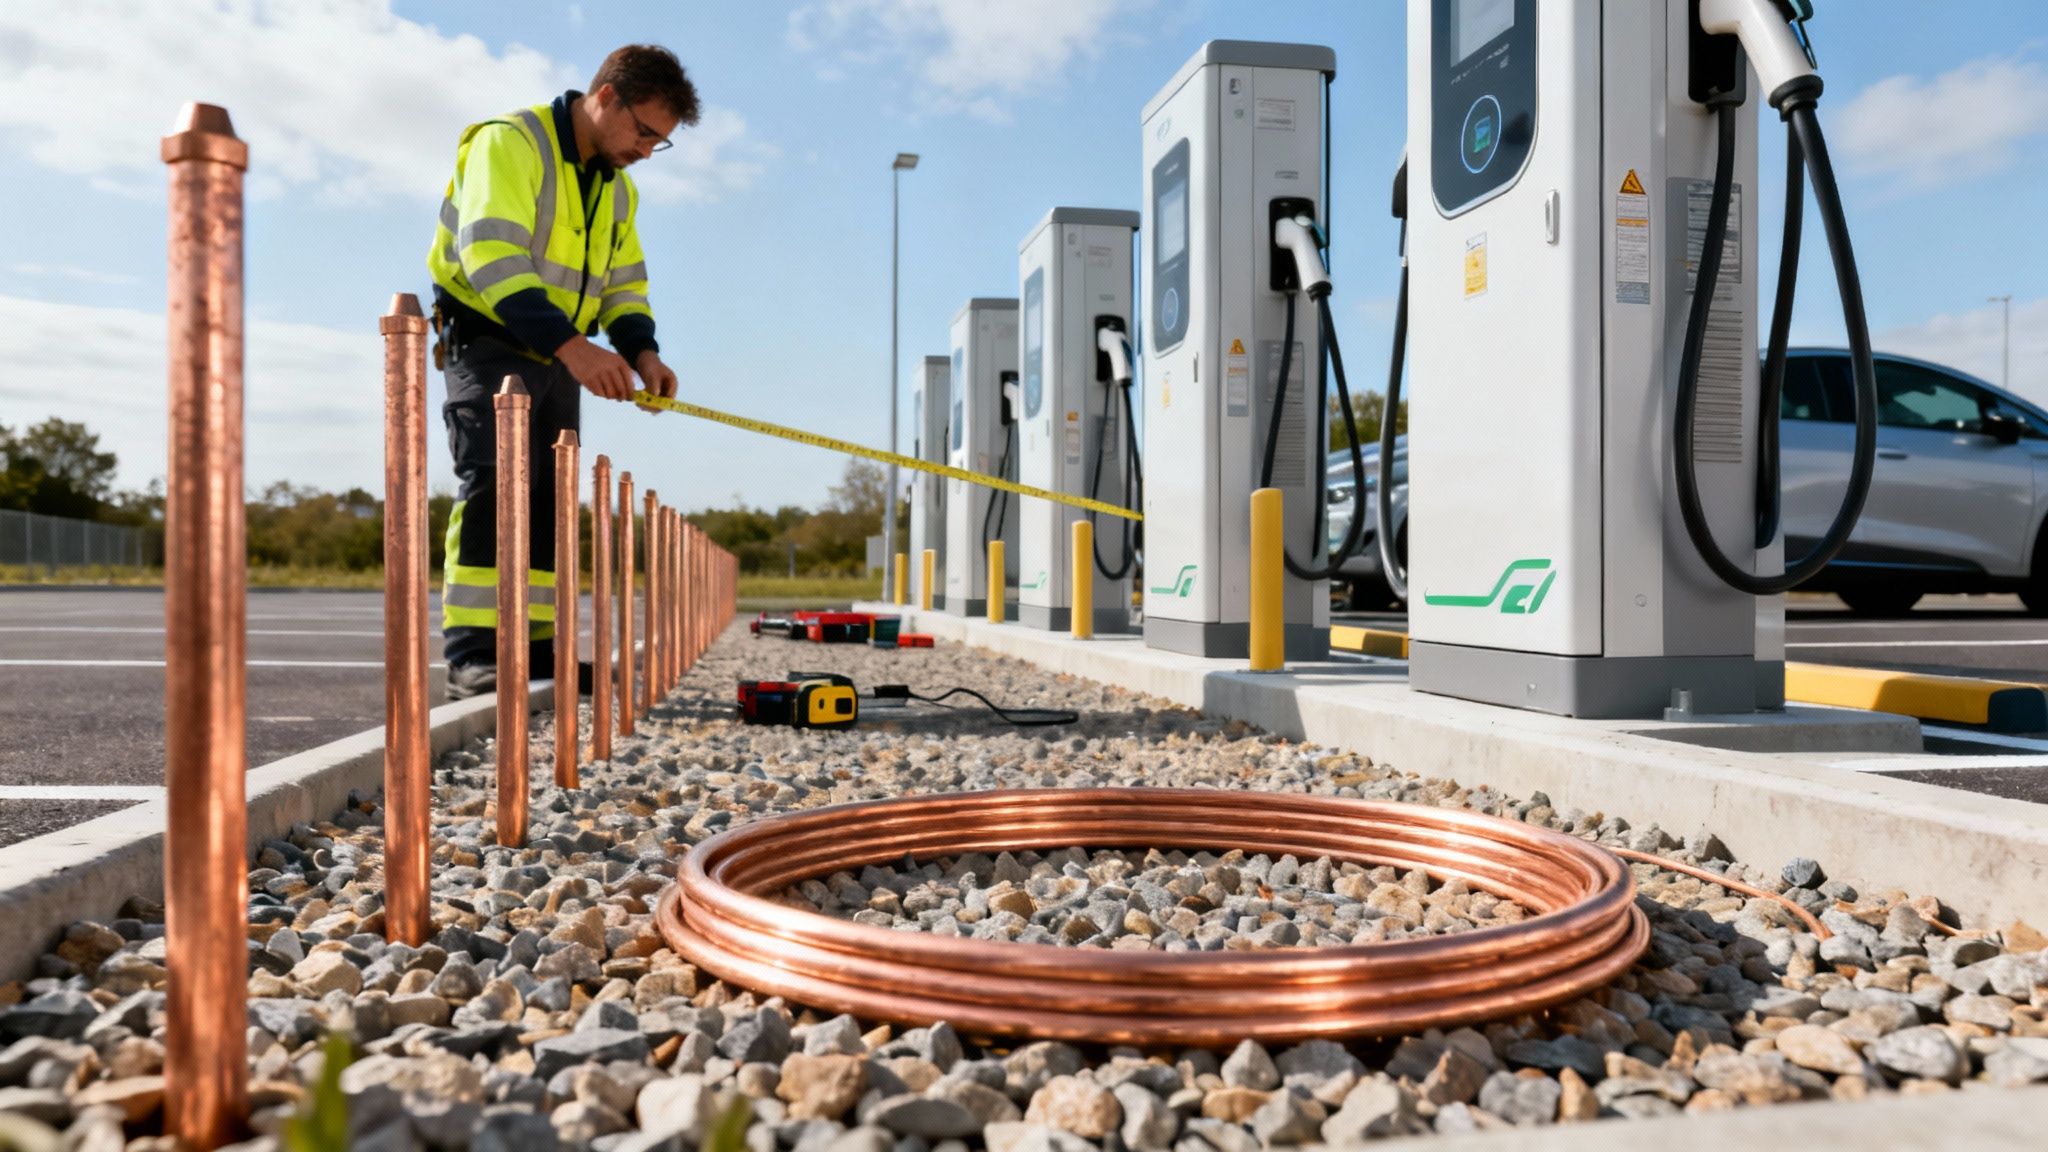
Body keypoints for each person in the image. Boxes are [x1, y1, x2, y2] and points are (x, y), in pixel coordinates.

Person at [426, 45, 694, 699]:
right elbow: (489, 254)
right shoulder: (510, 143)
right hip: (490, 340)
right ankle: (472, 655)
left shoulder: (616, 189)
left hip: (556, 353)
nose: (647, 151)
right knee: (495, 481)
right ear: (606, 97)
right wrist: (576, 347)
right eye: (645, 132)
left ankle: (535, 651)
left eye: (661, 142)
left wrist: (642, 353)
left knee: (546, 497)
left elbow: (625, 287)